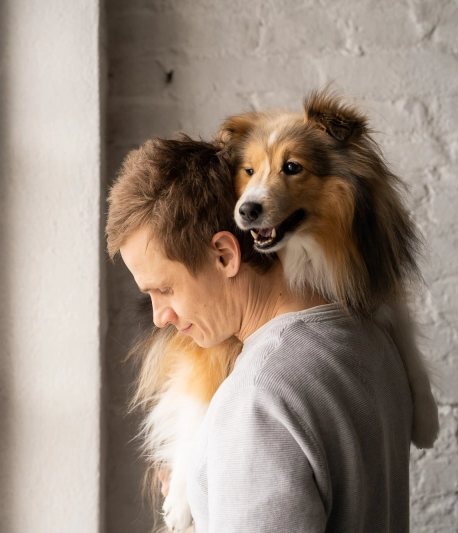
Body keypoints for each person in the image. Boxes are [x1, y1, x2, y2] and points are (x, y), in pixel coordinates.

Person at [105, 136, 413, 532]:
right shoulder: (367, 335)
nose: (160, 316)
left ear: (225, 255)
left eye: (165, 289)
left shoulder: (258, 397)